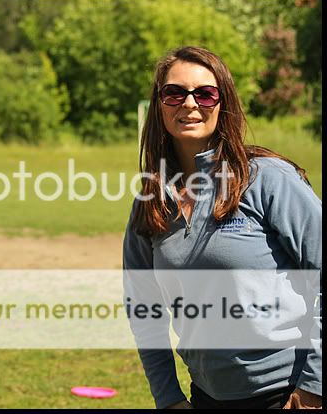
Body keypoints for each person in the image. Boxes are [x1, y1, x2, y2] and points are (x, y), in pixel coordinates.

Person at [122, 46, 321, 409]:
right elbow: (144, 309)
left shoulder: (267, 178)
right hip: (207, 396)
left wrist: (315, 385)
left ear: (223, 101)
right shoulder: (151, 200)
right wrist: (168, 397)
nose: (189, 103)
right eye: (174, 93)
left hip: (289, 393)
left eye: (205, 93)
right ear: (159, 104)